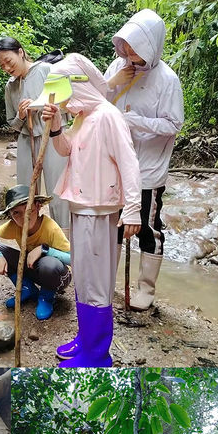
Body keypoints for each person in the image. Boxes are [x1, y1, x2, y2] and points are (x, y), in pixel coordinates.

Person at [36, 54, 141, 367]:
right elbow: (65, 149)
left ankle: (97, 355)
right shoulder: (83, 117)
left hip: (99, 211)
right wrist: (55, 123)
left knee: (96, 282)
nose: (66, 104)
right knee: (83, 277)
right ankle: (86, 340)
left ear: (77, 88)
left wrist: (133, 208)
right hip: (80, 207)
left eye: (65, 96)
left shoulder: (108, 116)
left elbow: (129, 162)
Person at [104, 9, 184, 310]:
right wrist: (113, 81)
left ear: (151, 45)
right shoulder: (117, 66)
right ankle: (107, 280)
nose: (128, 54)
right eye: (125, 46)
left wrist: (136, 121)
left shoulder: (167, 79)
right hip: (114, 165)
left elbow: (173, 125)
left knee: (146, 227)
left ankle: (146, 289)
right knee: (113, 223)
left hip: (147, 168)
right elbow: (99, 102)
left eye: (134, 48)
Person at [0, 37, 70, 231]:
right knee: (25, 194)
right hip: (26, 141)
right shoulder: (10, 86)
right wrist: (20, 115)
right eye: (2, 65)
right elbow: (13, 124)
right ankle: (31, 238)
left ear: (20, 52)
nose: (7, 68)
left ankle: (64, 242)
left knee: (58, 192)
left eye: (8, 61)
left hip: (52, 137)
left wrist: (41, 107)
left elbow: (67, 106)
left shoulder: (47, 70)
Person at [0, 184, 71, 320]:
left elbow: (73, 259)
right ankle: (27, 288)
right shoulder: (14, 226)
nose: (24, 217)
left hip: (57, 275)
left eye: (29, 210)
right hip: (33, 268)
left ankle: (47, 297)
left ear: (38, 206)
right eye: (16, 213)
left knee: (48, 264)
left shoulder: (50, 228)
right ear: (10, 215)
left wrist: (44, 250)